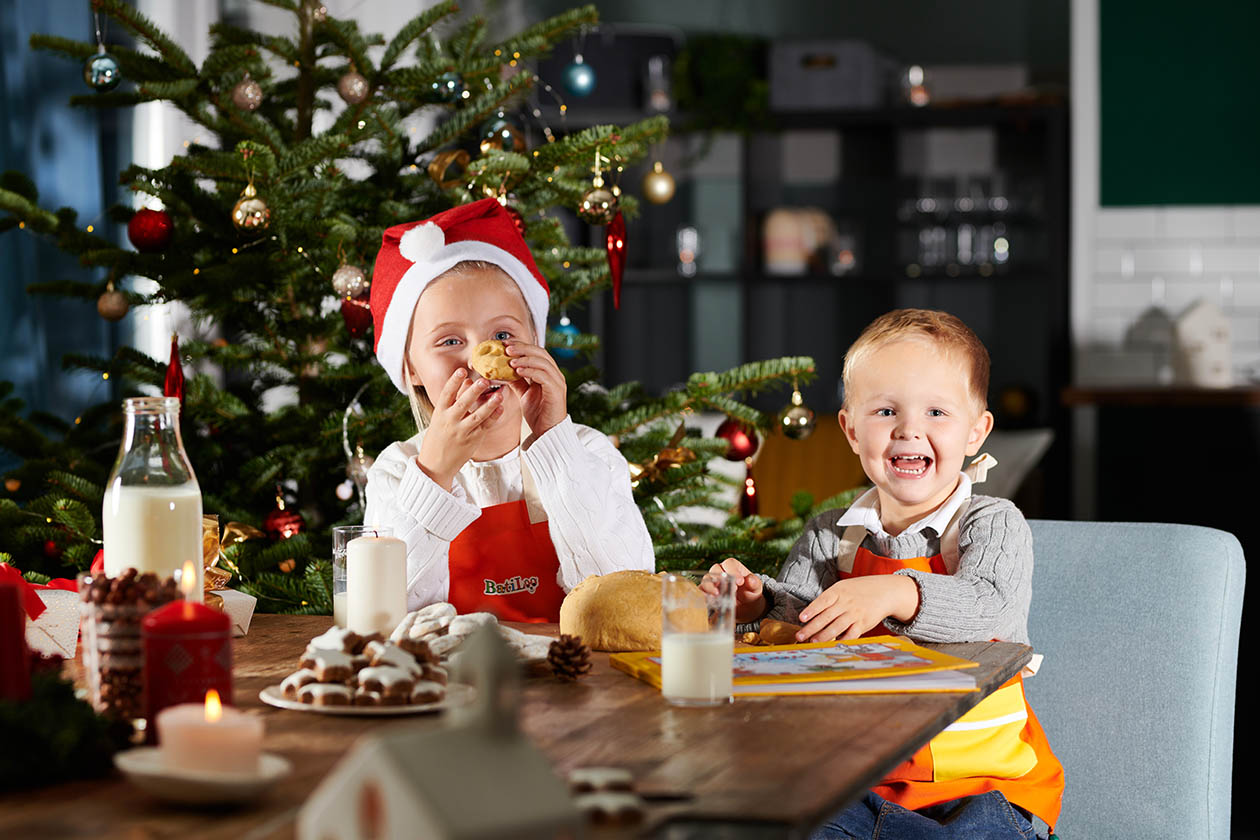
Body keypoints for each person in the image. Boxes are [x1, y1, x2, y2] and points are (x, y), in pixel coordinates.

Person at [708, 309, 1063, 839]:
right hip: (857, 786)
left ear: (976, 431)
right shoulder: (832, 534)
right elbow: (800, 622)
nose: (909, 429)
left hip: (983, 793)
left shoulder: (992, 523)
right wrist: (758, 606)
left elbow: (991, 603)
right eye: (885, 410)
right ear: (851, 430)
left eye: (937, 412)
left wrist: (897, 592)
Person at [363, 197, 654, 622]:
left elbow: (623, 590)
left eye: (502, 332)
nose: (480, 358)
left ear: (535, 339)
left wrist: (555, 443)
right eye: (448, 341)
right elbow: (382, 614)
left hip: (570, 680)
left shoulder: (588, 453)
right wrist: (436, 474)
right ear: (410, 369)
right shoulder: (398, 471)